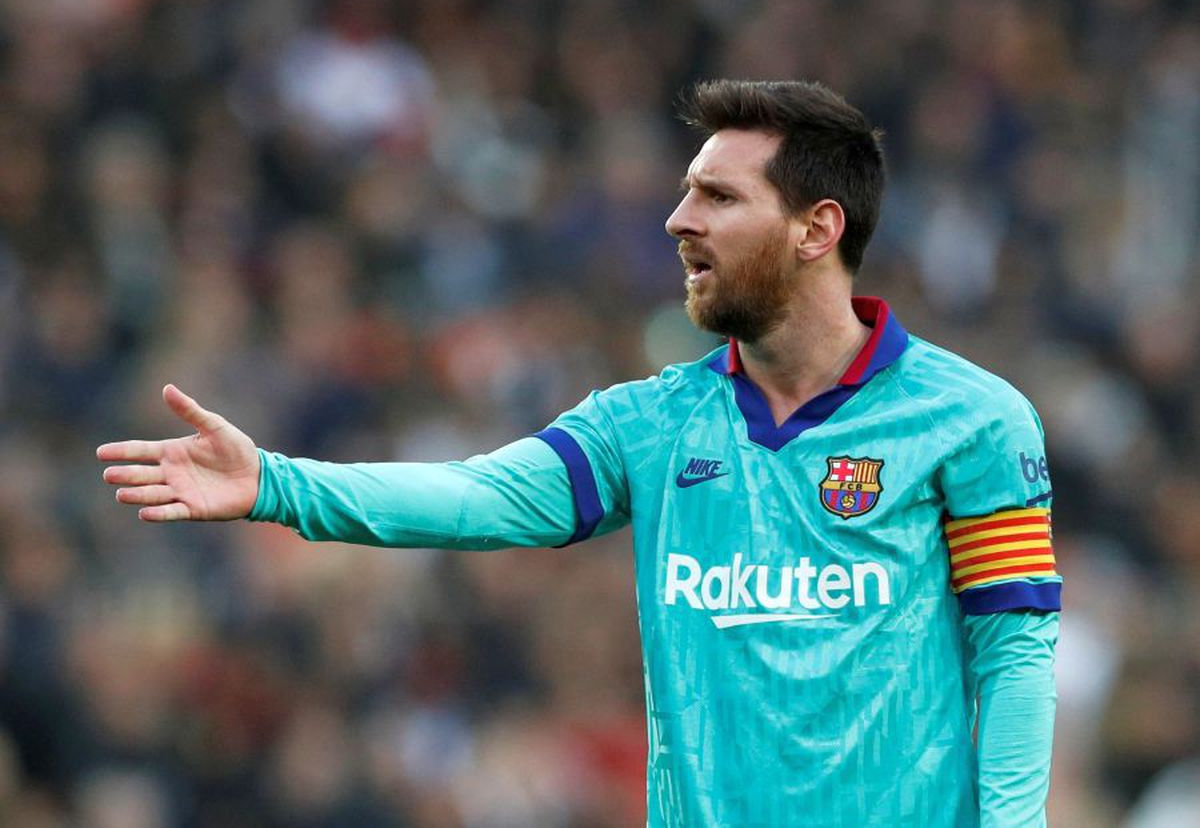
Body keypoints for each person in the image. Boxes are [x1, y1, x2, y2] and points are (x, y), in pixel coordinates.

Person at [99, 80, 1060, 827]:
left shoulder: (970, 421)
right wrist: (277, 483)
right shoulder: (651, 424)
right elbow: (479, 496)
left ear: (817, 228)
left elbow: (1015, 651)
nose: (679, 220)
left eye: (719, 196)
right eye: (685, 192)